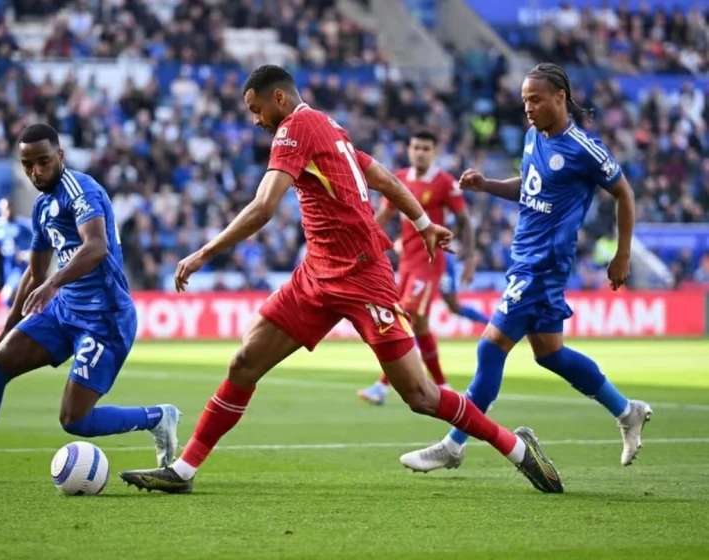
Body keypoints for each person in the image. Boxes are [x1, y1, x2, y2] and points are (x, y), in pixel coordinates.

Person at [119, 65, 563, 495]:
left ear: (279, 97)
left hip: (363, 276)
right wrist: (424, 221)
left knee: (421, 395)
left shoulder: (294, 128)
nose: (255, 121)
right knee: (244, 363)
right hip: (316, 274)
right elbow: (385, 178)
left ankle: (519, 449)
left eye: (256, 110)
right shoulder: (329, 127)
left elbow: (263, 207)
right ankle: (184, 469)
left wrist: (203, 253)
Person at [399, 63, 653, 475]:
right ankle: (627, 411)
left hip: (543, 266)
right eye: (524, 100)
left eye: (535, 99)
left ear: (560, 97)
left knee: (489, 347)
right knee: (550, 355)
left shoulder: (584, 148)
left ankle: (454, 443)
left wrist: (622, 254)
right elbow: (529, 184)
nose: (528, 108)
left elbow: (623, 192)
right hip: (524, 259)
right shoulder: (535, 136)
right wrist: (488, 186)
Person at [0, 124, 180, 482]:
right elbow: (34, 272)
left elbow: (95, 246)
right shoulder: (42, 207)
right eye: (28, 165)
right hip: (64, 312)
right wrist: (8, 324)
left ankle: (158, 417)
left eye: (43, 162)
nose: (35, 172)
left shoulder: (80, 189)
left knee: (75, 421)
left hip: (104, 320)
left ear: (60, 156)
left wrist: (53, 283)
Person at [358, 130, 487, 405]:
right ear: (408, 149)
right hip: (406, 263)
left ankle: (382, 386)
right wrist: (363, 242)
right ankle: (443, 385)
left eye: (426, 148)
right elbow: (385, 214)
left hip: (429, 263)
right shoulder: (400, 179)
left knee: (406, 318)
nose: (420, 152)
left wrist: (471, 258)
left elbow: (465, 219)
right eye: (416, 147)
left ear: (435, 151)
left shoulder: (444, 183)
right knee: (421, 325)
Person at [0, 198, 33, 308]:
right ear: (0, 210)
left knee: (6, 295)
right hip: (7, 267)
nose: (8, 211)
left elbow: (39, 242)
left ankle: (11, 321)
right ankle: (17, 320)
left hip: (20, 267)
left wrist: (26, 254)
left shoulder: (24, 225)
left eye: (10, 207)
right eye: (5, 208)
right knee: (15, 299)